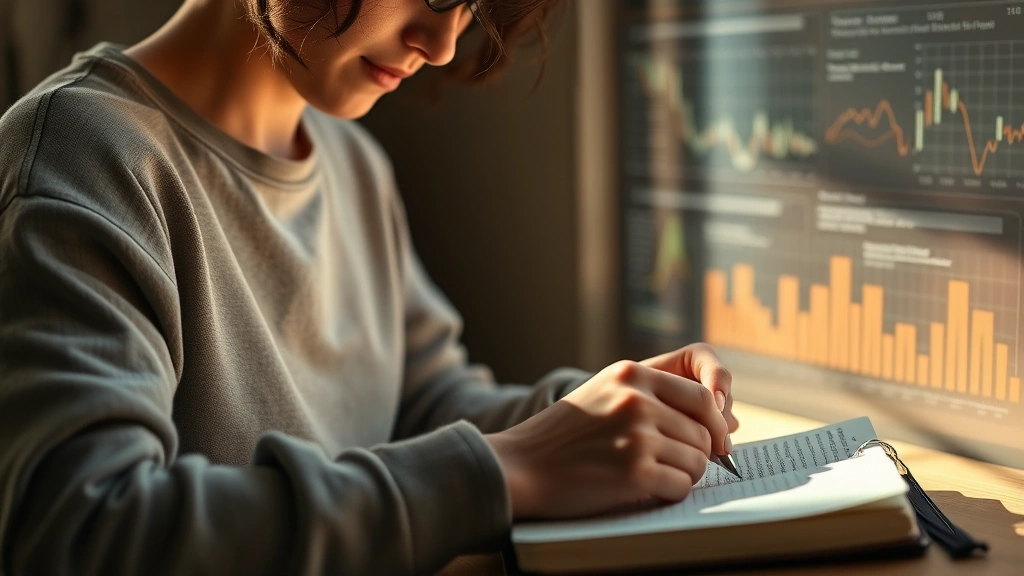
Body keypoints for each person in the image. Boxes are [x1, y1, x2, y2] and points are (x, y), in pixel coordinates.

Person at [0, 0, 740, 574]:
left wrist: (607, 412)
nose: (444, 43)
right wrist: (510, 466)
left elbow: (428, 408)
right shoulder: (80, 158)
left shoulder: (353, 166)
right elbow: (83, 532)